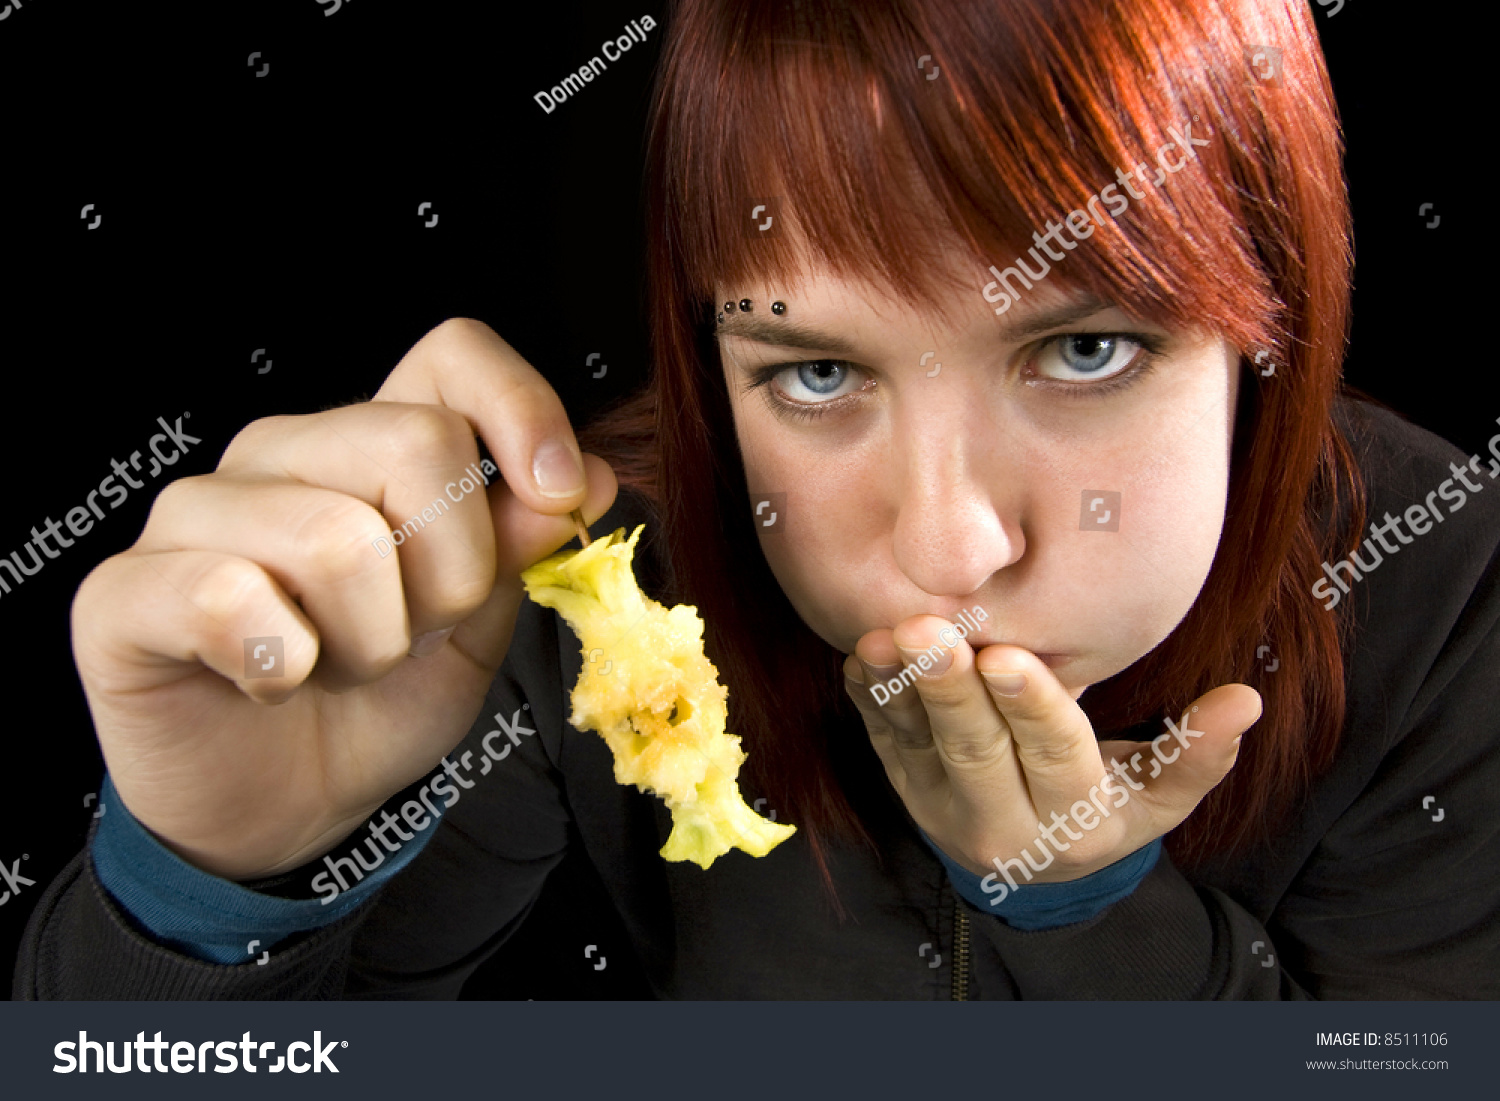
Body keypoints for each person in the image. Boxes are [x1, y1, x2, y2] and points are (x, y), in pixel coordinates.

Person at [14, 0, 1500, 999]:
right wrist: (213, 888)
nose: (950, 545)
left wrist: (1090, 917)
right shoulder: (575, 583)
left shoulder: (1451, 581)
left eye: (1085, 347)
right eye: (815, 374)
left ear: (1266, 313)